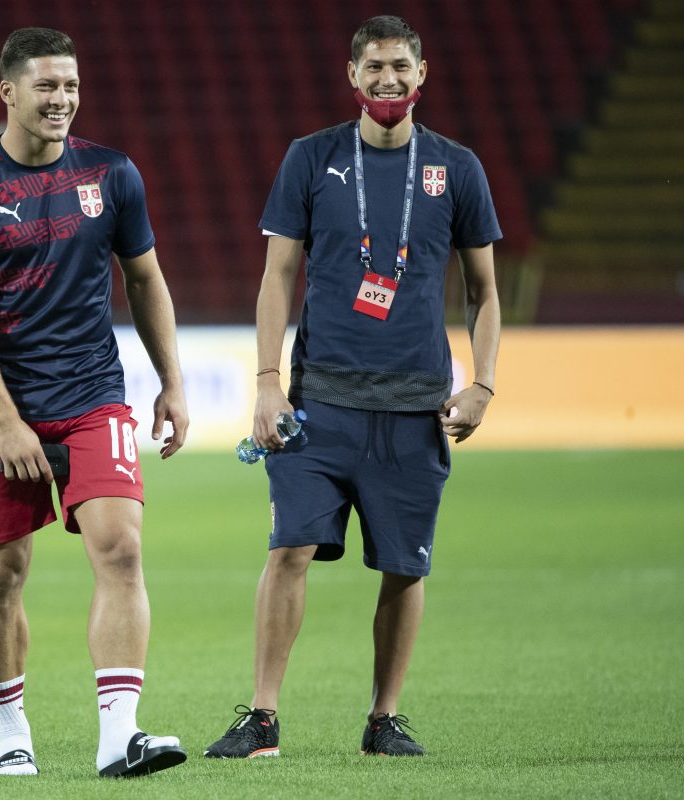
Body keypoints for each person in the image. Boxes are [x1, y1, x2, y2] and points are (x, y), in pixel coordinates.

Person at [205, 15, 501, 759]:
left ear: (422, 73)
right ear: (352, 76)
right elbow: (276, 276)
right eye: (373, 68)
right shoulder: (311, 159)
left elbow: (485, 293)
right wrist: (268, 384)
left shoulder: (456, 169)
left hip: (415, 407)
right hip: (319, 401)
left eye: (400, 66)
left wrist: (485, 383)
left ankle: (383, 719)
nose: (387, 80)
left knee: (405, 566)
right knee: (290, 550)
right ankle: (263, 718)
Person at [0, 27, 189, 779]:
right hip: (1, 406)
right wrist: (6, 420)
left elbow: (145, 280)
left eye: (71, 85)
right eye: (47, 85)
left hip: (92, 394)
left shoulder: (112, 174)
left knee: (122, 546)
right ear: (7, 91)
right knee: (1, 573)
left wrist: (171, 381)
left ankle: (119, 737)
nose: (62, 99)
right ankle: (11, 736)